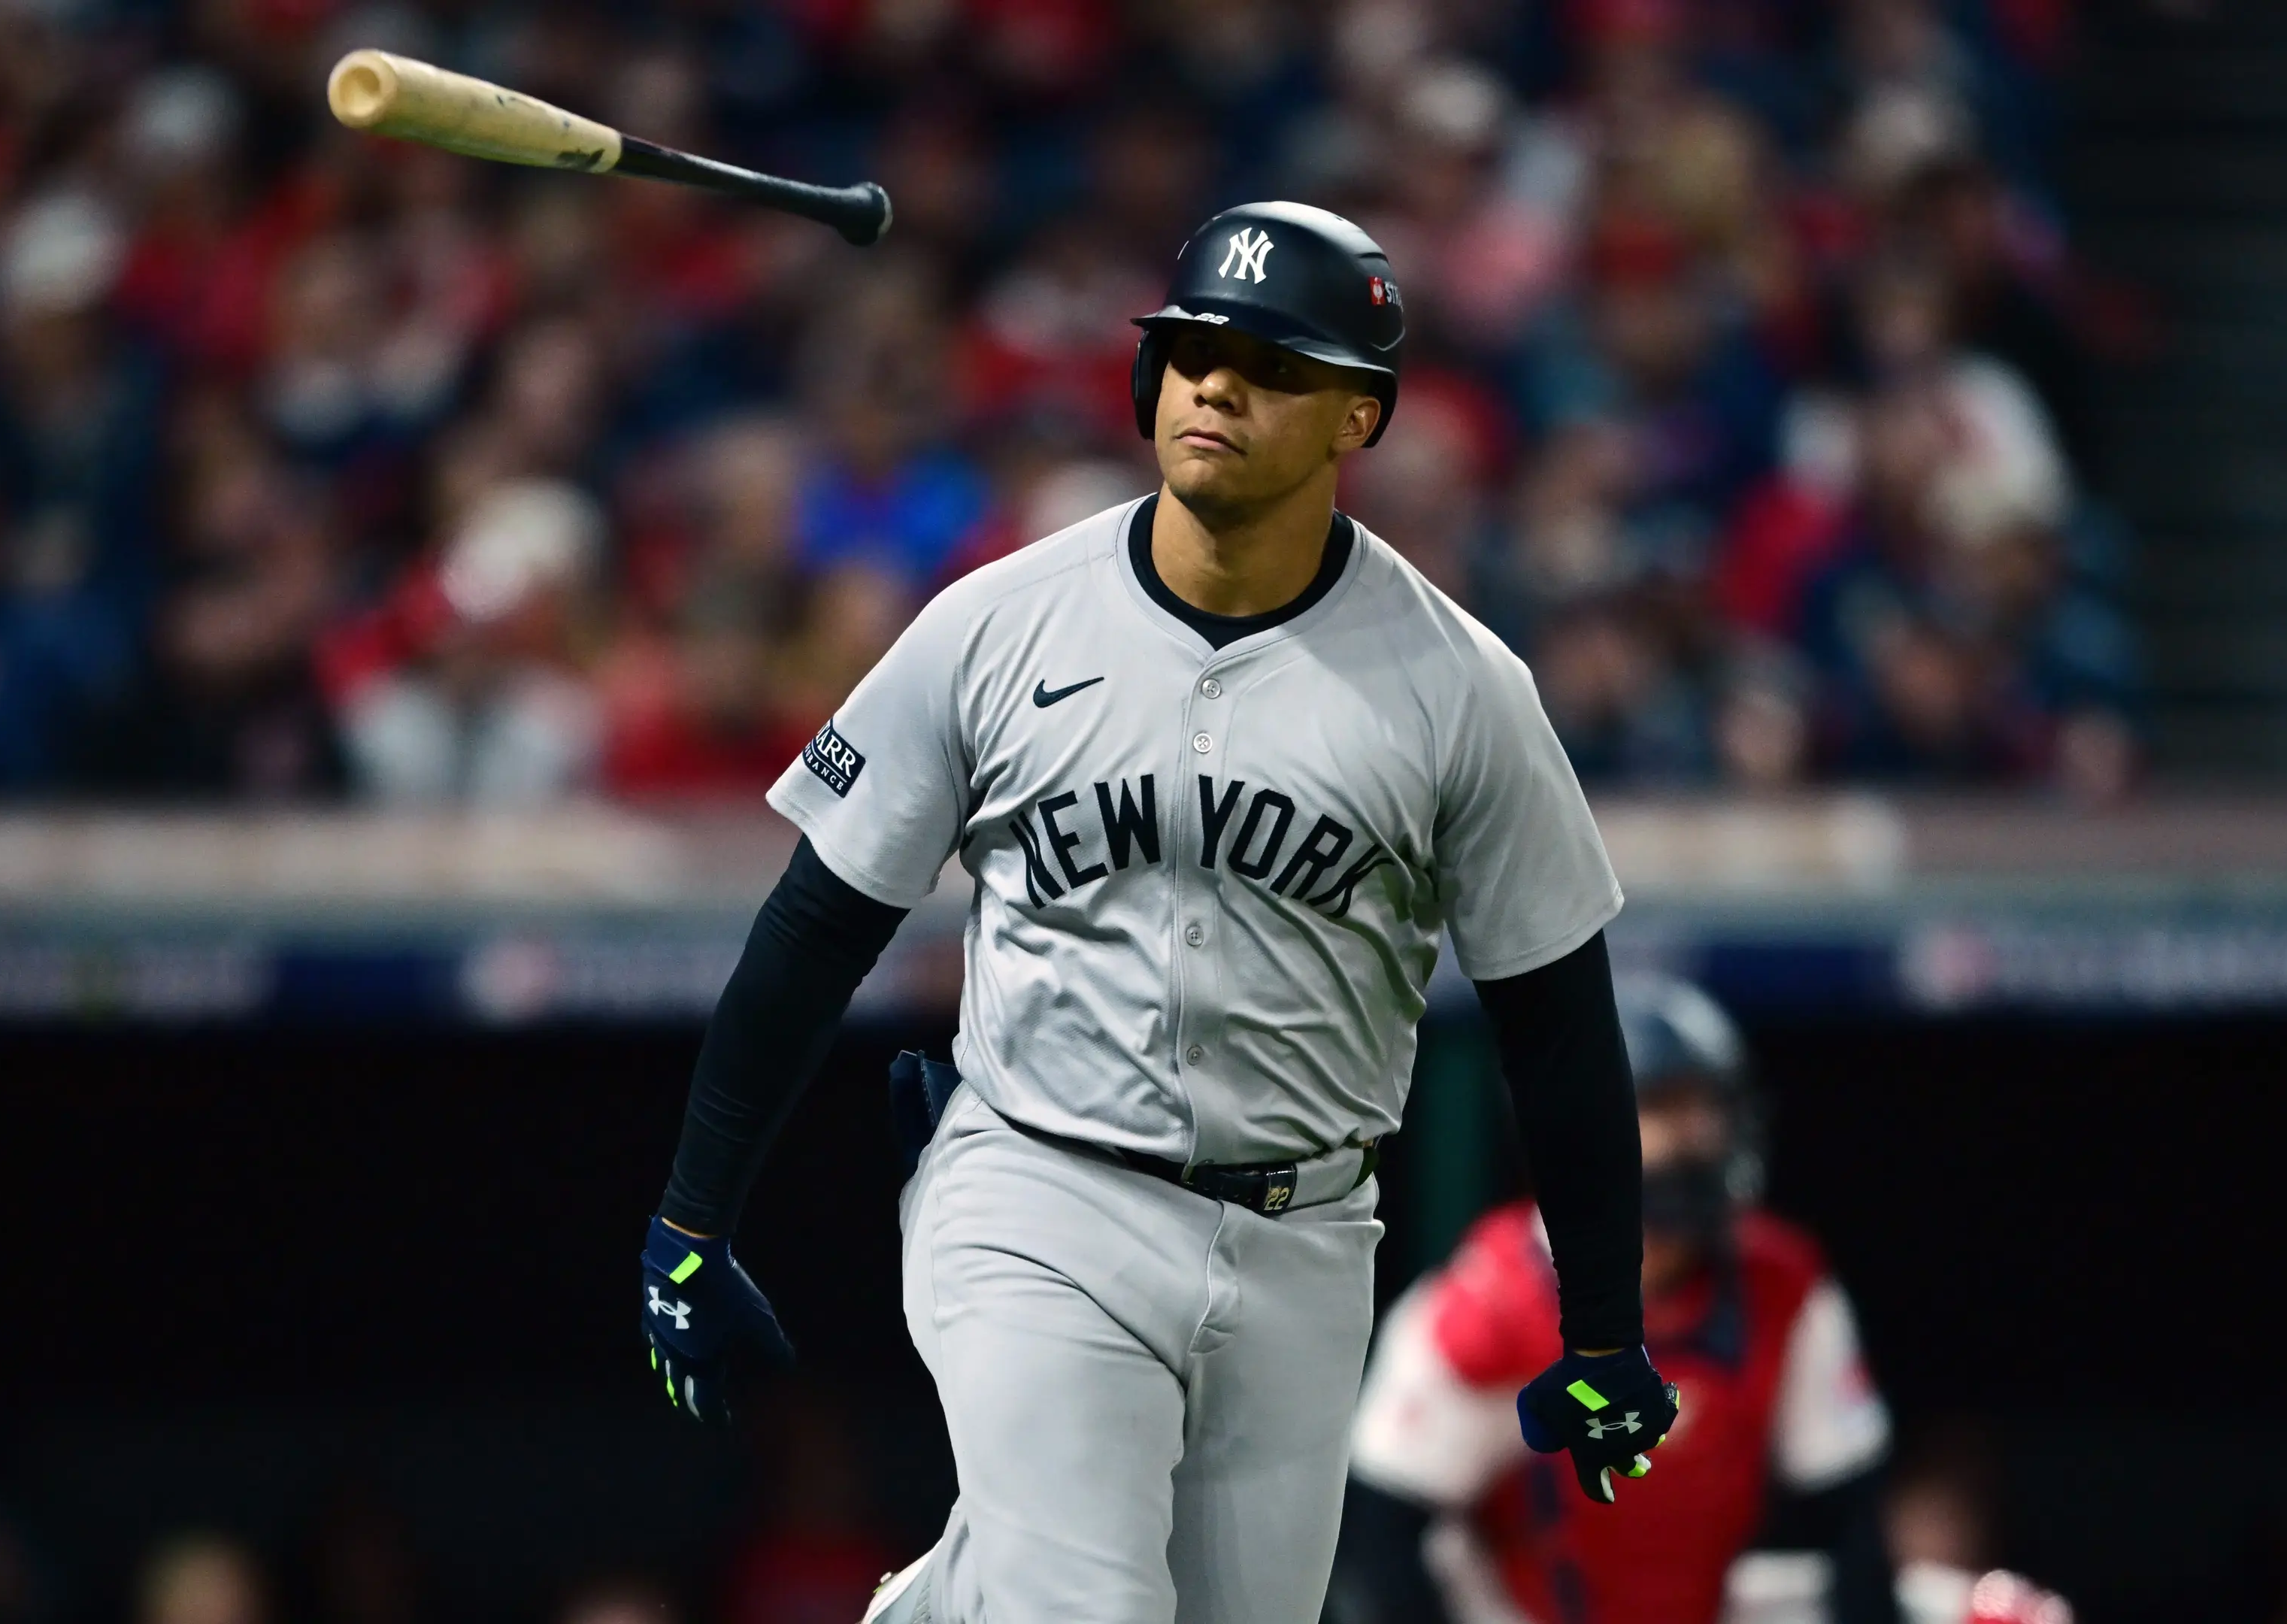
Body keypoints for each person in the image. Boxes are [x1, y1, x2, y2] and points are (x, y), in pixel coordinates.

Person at [631, 202, 1679, 1624]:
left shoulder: (1460, 686)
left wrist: (1604, 1327)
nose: (1218, 387)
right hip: (1038, 1188)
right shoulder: (997, 624)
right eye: (1191, 353)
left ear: (1358, 418)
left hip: (1307, 1232)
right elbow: (817, 926)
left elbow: (1556, 1022)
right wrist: (694, 1212)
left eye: (1270, 366)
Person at [1330, 974, 1898, 1624]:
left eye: (1705, 1109)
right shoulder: (1487, 1305)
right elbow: (1379, 1537)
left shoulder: (1783, 1285)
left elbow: (1852, 1524)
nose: (1697, 1136)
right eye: (1662, 1107)